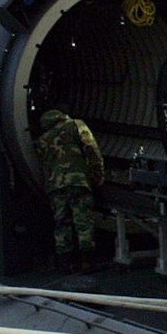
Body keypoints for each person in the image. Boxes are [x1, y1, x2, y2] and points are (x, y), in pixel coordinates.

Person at [35, 108, 104, 267]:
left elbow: (43, 165)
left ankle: (65, 262)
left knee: (61, 222)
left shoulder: (43, 140)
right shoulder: (76, 125)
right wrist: (98, 173)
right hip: (78, 181)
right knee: (83, 221)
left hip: (55, 186)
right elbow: (91, 148)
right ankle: (87, 261)